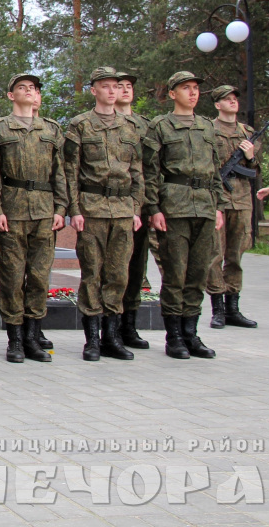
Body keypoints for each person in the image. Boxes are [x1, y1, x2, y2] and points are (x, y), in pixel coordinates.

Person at [62, 67, 144, 362]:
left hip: (122, 209)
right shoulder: (81, 124)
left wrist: (136, 208)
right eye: (106, 86)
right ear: (93, 90)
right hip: (92, 208)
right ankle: (92, 340)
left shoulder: (130, 127)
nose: (112, 91)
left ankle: (112, 337)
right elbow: (70, 170)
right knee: (92, 274)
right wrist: (74, 209)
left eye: (116, 86)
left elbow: (137, 172)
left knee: (118, 275)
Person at [143, 71, 225, 360]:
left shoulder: (207, 126)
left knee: (198, 273)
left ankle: (191, 333)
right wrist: (154, 208)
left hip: (205, 206)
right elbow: (150, 171)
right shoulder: (160, 126)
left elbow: (216, 169)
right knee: (175, 273)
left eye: (195, 88)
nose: (193, 93)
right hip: (175, 207)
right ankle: (174, 336)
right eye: (186, 88)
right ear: (172, 94)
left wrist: (219, 206)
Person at [0, 73, 68, 364]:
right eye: (22, 87)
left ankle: (33, 337)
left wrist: (61, 208)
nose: (29, 91)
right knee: (11, 277)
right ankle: (15, 340)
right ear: (11, 95)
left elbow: (60, 171)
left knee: (39, 277)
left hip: (44, 211)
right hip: (13, 210)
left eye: (33, 88)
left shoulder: (52, 129)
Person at [206, 85, 260, 329]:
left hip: (242, 199)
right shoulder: (208, 130)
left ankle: (233, 308)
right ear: (217, 105)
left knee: (236, 255)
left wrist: (250, 157)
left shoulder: (247, 132)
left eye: (234, 99)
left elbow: (255, 169)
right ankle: (217, 309)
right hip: (218, 199)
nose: (232, 102)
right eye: (226, 99)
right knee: (215, 254)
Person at [114, 71, 153, 349]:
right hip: (109, 205)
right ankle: (111, 325)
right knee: (113, 268)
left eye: (129, 86)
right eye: (120, 86)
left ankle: (129, 325)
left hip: (139, 205)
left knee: (137, 266)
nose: (125, 90)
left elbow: (151, 167)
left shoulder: (145, 126)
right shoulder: (98, 123)